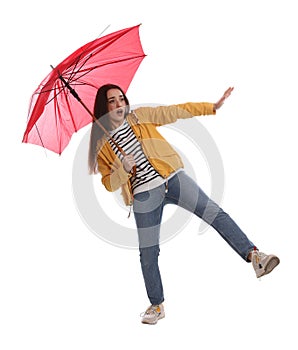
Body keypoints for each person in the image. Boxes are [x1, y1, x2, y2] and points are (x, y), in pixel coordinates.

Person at [88, 84, 280, 325]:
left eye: (121, 99)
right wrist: (122, 169)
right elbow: (108, 183)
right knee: (148, 253)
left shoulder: (140, 116)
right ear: (103, 107)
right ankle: (156, 306)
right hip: (144, 196)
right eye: (112, 101)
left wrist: (211, 107)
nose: (119, 105)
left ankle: (255, 256)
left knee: (214, 212)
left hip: (173, 179)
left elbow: (174, 111)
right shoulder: (102, 146)